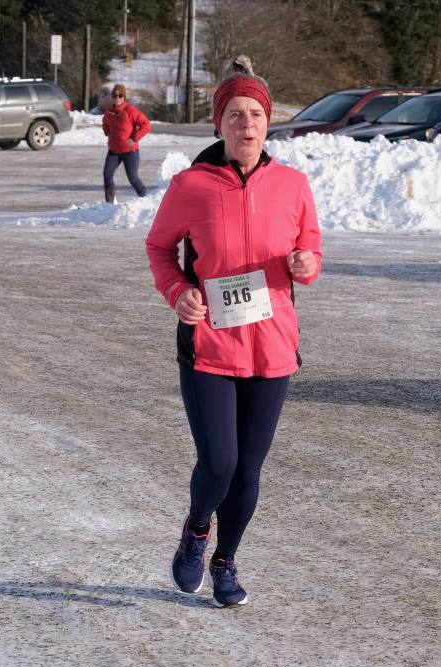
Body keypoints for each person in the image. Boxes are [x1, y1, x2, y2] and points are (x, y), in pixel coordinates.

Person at [144, 73, 321, 608]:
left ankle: (226, 561)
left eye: (257, 115)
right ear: (219, 123)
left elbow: (309, 249)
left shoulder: (293, 186)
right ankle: (197, 531)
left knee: (247, 472)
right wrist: (177, 290)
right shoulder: (190, 186)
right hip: (209, 347)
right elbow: (159, 249)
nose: (247, 125)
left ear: (269, 124)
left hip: (272, 349)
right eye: (236, 115)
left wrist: (307, 264)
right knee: (219, 462)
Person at [101, 83, 150, 203]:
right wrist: (107, 133)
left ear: (124, 97)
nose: (118, 98)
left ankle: (145, 199)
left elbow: (146, 124)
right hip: (114, 150)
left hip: (130, 151)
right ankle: (109, 204)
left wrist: (134, 138)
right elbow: (105, 124)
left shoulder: (130, 110)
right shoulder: (109, 112)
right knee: (107, 174)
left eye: (121, 95)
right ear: (112, 97)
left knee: (132, 177)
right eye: (115, 95)